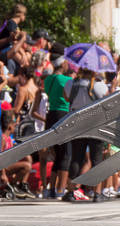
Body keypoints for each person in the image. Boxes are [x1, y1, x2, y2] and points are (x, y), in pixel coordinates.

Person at [62, 67, 108, 202]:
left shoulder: (71, 83)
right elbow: (106, 99)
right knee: (96, 158)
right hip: (95, 122)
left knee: (76, 157)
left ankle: (71, 191)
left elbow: (66, 97)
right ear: (94, 71)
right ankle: (97, 193)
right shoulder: (99, 85)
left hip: (77, 122)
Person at [43, 56, 72, 198]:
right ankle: (61, 189)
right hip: (63, 114)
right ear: (63, 64)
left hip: (51, 115)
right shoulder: (66, 80)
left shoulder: (48, 79)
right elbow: (69, 97)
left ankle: (52, 189)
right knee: (66, 153)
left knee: (58, 154)